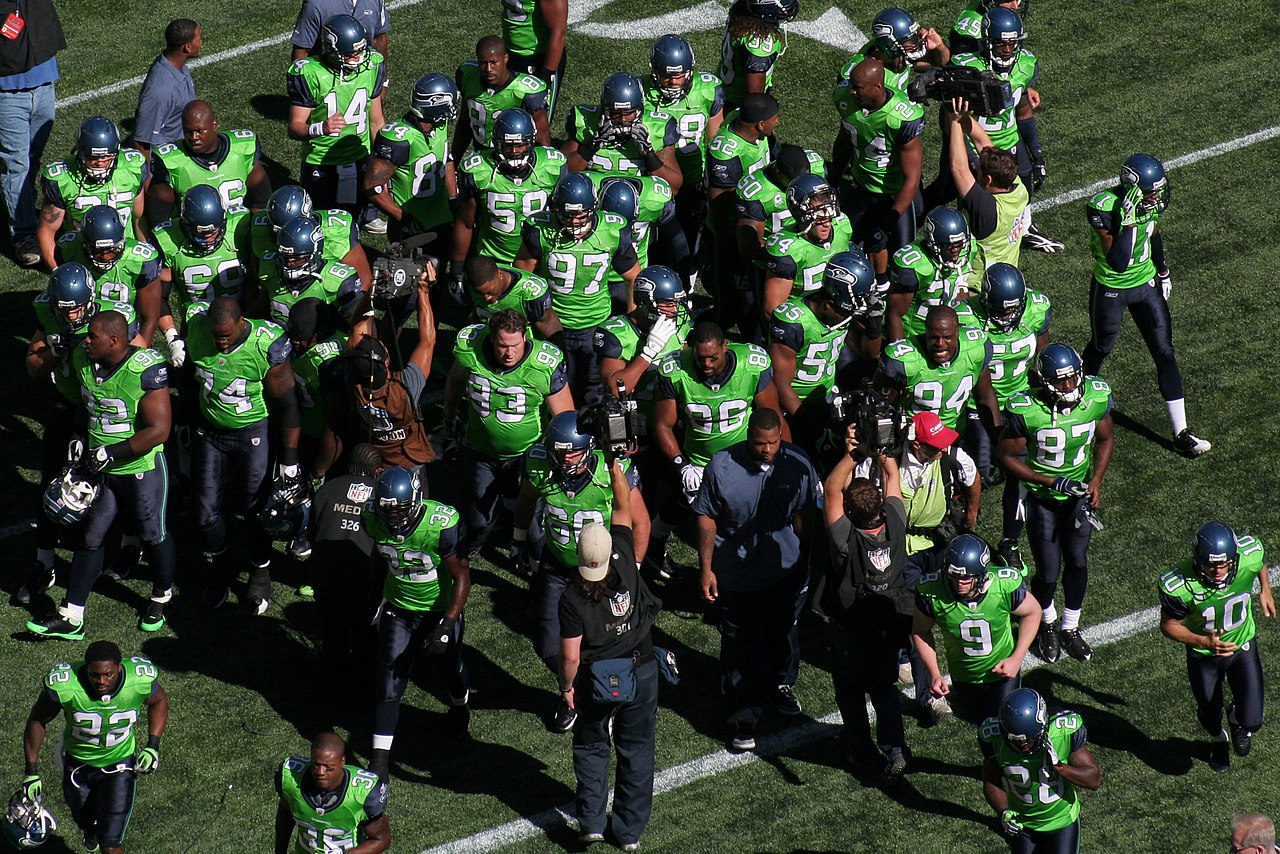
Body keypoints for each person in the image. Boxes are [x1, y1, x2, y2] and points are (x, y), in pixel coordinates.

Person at [25, 309, 175, 638]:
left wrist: (111, 452)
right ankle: (72, 614)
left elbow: (160, 430)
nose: (86, 341)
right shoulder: (82, 358)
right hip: (100, 468)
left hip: (141, 469)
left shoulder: (145, 369)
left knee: (153, 533)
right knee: (90, 538)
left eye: (93, 337)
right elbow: (87, 402)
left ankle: (161, 596)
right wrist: (80, 438)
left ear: (115, 341)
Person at [693, 408, 821, 751]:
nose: (767, 449)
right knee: (739, 641)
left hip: (785, 568)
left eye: (774, 443)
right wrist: (706, 567)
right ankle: (742, 712)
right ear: (749, 436)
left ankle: (780, 684)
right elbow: (706, 517)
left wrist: (807, 555)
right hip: (737, 573)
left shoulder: (798, 461)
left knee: (784, 630)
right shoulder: (722, 465)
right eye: (761, 443)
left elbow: (806, 512)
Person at [559, 467, 660, 852]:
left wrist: (566, 688)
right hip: (642, 669)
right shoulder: (626, 563)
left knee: (591, 746)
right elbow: (623, 507)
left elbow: (570, 656)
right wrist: (618, 467)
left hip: (595, 678)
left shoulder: (571, 596)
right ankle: (629, 832)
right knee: (636, 750)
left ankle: (591, 823)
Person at [1083, 152, 1209, 457]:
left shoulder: (1148, 206)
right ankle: (1077, 410)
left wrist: (1162, 270)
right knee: (1101, 348)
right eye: (1150, 191)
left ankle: (1181, 431)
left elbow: (1153, 233)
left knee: (1165, 352)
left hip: (1146, 285)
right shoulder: (1103, 206)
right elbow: (1118, 261)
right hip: (1112, 288)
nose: (1156, 196)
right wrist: (1127, 222)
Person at [998, 344, 1113, 664]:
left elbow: (1105, 438)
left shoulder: (1096, 397)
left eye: (1074, 377)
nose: (1070, 385)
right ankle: (1047, 623)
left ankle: (1071, 627)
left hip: (1076, 496)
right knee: (1048, 572)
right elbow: (1005, 457)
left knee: (1077, 561)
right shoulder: (1027, 408)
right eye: (1062, 380)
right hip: (1043, 498)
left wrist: (1096, 480)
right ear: (1046, 381)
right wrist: (1048, 481)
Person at [185, 297, 300, 614]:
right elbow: (187, 379)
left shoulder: (266, 343)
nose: (221, 342)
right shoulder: (196, 328)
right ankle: (223, 564)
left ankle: (260, 570)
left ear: (241, 323)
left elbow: (287, 403)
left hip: (251, 432)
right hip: (209, 431)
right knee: (204, 513)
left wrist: (289, 459)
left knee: (257, 508)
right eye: (216, 336)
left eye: (227, 336)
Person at [818, 426, 913, 780]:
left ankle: (861, 751)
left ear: (849, 512)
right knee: (884, 690)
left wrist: (854, 453)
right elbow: (891, 475)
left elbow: (830, 488)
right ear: (880, 506)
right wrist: (881, 448)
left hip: (851, 628)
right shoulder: (897, 524)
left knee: (851, 693)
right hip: (888, 625)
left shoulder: (844, 539)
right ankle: (895, 749)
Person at [649, 321, 784, 571]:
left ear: (725, 346)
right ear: (690, 350)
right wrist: (682, 465)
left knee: (746, 510)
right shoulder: (675, 369)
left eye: (713, 357)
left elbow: (772, 416)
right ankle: (654, 542)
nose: (707, 365)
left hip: (744, 455)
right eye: (701, 358)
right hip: (699, 458)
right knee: (684, 500)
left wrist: (783, 458)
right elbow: (662, 425)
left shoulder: (751, 364)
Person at [366, 465, 471, 780]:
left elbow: (462, 576)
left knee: (449, 665)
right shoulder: (372, 516)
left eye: (399, 511)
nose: (394, 519)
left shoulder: (440, 525)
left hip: (438, 609)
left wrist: (447, 624)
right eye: (389, 512)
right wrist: (375, 599)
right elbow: (378, 557)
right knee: (388, 683)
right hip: (399, 608)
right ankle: (380, 761)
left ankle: (459, 708)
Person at [442, 308, 572, 557]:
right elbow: (456, 379)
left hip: (528, 453)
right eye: (502, 345)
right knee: (478, 518)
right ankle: (477, 541)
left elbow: (565, 418)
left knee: (533, 523)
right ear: (491, 339)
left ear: (525, 337)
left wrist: (550, 457)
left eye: (515, 345)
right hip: (482, 452)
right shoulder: (471, 348)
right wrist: (449, 416)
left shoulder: (543, 365)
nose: (509, 353)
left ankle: (529, 556)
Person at [21, 640, 169, 854]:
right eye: (94, 675)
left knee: (110, 845)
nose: (101, 681)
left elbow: (159, 701)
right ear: (86, 668)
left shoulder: (138, 680)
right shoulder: (67, 684)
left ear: (119, 668)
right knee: (83, 818)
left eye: (108, 674)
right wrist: (31, 772)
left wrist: (152, 746)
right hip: (77, 762)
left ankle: (105, 835)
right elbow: (37, 720)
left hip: (121, 763)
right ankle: (92, 828)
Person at [514, 171, 639, 404]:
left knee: (595, 392)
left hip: (596, 324)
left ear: (593, 208)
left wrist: (632, 319)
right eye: (567, 215)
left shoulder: (611, 231)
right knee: (553, 386)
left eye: (580, 214)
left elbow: (634, 277)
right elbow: (522, 275)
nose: (574, 222)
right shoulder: (540, 229)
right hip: (552, 324)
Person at [1159, 522, 1273, 772]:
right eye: (1212, 565)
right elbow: (1168, 625)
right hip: (1203, 654)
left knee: (1252, 721)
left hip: (1242, 643)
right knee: (1210, 715)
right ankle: (1218, 740)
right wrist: (1204, 641)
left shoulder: (1248, 554)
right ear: (1198, 560)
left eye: (1224, 564)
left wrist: (1265, 589)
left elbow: (1259, 560)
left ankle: (1236, 718)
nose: (1219, 571)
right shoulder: (1180, 584)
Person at [948, 7, 1061, 254]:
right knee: (973, 203)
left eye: (1012, 44)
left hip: (1010, 140)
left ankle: (1024, 230)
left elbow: (1022, 109)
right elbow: (952, 116)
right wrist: (970, 154)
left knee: (1025, 183)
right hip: (976, 143)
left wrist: (1036, 152)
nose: (1007, 51)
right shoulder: (968, 66)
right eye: (1001, 45)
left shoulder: (1026, 65)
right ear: (987, 42)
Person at [963, 263, 1050, 566]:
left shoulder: (1035, 311)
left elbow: (1043, 357)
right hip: (977, 406)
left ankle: (1009, 540)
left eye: (1013, 309)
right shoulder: (965, 317)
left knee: (1019, 475)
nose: (1007, 317)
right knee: (977, 474)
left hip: (1019, 404)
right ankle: (958, 524)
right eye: (1000, 310)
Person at [913, 534, 1041, 726]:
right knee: (984, 728)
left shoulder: (1003, 585)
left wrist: (1016, 658)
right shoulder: (932, 590)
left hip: (1002, 675)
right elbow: (920, 631)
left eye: (966, 577)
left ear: (981, 574)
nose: (959, 582)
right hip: (963, 676)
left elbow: (1033, 612)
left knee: (1009, 726)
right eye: (954, 575)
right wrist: (935, 673)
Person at [328, 268, 436, 472]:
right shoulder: (405, 389)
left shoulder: (352, 381)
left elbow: (357, 326)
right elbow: (427, 341)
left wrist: (370, 295)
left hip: (372, 463)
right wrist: (423, 290)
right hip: (408, 463)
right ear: (386, 361)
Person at [769, 247, 876, 451]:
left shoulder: (840, 311)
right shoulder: (793, 322)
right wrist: (815, 430)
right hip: (792, 406)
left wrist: (874, 328)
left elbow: (868, 353)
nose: (851, 317)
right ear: (828, 306)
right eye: (848, 311)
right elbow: (781, 385)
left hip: (825, 397)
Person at [830, 58, 924, 286]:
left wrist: (887, 224)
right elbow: (844, 141)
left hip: (893, 193)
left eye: (858, 87)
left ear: (877, 87)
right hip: (860, 186)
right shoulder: (845, 99)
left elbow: (912, 178)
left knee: (904, 265)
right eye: (851, 85)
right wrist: (832, 180)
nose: (852, 91)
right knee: (837, 247)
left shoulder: (901, 117)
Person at [980, 688, 1101, 853]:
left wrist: (1061, 767)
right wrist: (1004, 812)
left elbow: (1094, 780)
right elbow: (991, 781)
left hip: (1062, 822)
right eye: (1016, 740)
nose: (1024, 745)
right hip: (1022, 823)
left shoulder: (1062, 731)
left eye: (1030, 739)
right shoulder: (993, 737)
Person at [286, 15, 386, 214]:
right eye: (351, 54)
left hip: (360, 156)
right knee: (320, 220)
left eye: (361, 51)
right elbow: (294, 127)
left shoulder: (372, 64)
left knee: (352, 221)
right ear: (331, 49)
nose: (358, 58)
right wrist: (320, 128)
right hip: (322, 161)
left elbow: (376, 121)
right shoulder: (310, 73)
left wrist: (384, 157)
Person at [306, 444, 382, 692]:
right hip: (362, 578)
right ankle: (362, 692)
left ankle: (333, 687)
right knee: (364, 635)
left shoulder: (327, 489)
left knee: (333, 633)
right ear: (377, 471)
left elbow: (312, 535)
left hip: (325, 574)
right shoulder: (382, 494)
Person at [451, 108, 565, 268]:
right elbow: (465, 222)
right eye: (507, 145)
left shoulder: (553, 166)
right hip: (493, 260)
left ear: (532, 141)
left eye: (520, 145)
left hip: (538, 260)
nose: (514, 152)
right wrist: (456, 270)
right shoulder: (479, 170)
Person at [0, 0, 64, 267]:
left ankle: (25, 213)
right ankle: (24, 235)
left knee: (32, 159)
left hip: (44, 83)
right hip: (7, 93)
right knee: (16, 166)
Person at [38, 116, 148, 270]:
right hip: (81, 256)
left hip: (123, 253)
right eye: (92, 157)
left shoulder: (132, 168)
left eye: (106, 156)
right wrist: (57, 270)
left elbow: (139, 219)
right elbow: (47, 230)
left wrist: (144, 258)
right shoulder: (62, 178)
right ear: (80, 153)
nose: (100, 162)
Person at [363, 72, 458, 249]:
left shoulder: (440, 125)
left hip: (442, 217)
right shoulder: (400, 140)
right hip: (410, 225)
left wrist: (453, 198)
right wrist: (403, 218)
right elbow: (372, 187)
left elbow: (447, 159)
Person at [878, 304, 1000, 435]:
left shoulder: (975, 349)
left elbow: (985, 397)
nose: (940, 344)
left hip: (955, 436)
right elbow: (880, 408)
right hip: (914, 442)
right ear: (925, 332)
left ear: (957, 332)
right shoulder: (904, 361)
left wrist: (997, 438)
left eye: (947, 337)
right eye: (933, 337)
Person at [55, 204, 163, 346]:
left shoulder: (142, 261)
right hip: (80, 328)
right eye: (98, 251)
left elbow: (150, 317)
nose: (105, 257)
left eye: (111, 250)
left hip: (124, 331)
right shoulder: (67, 248)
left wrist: (141, 350)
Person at [562, 72, 683, 194]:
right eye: (616, 113)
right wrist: (591, 147)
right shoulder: (586, 122)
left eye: (628, 113)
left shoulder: (658, 128)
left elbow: (673, 187)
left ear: (639, 109)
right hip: (594, 195)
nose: (622, 120)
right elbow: (561, 173)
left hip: (638, 198)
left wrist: (649, 154)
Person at [149, 99, 271, 215]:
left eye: (199, 131)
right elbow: (160, 217)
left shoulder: (242, 148)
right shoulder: (170, 161)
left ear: (215, 125)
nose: (193, 137)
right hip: (194, 234)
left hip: (239, 228)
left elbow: (261, 201)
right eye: (188, 131)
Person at [275, 732, 390, 853]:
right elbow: (284, 818)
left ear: (342, 762)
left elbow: (382, 839)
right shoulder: (291, 779)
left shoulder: (362, 793)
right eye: (315, 765)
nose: (321, 772)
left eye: (328, 767)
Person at [948, 98, 1030, 269]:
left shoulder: (987, 209)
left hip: (978, 282)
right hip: (1008, 270)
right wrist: (964, 118)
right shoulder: (1018, 187)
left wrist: (955, 121)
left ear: (988, 179)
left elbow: (959, 168)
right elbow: (983, 142)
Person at [760, 173, 853, 320]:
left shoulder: (842, 226)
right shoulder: (789, 249)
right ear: (800, 212)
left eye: (829, 213)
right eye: (819, 215)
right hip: (802, 321)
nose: (827, 222)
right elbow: (772, 310)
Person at [885, 205, 980, 342]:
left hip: (949, 328)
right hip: (917, 335)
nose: (956, 250)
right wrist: (899, 352)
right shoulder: (913, 266)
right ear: (931, 242)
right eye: (948, 246)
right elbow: (894, 314)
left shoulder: (967, 249)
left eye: (959, 244)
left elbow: (960, 287)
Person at [452, 35, 551, 159]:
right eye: (483, 63)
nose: (488, 69)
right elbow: (464, 124)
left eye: (493, 62)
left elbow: (543, 141)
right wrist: (453, 161)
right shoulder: (467, 76)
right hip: (482, 157)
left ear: (505, 58)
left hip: (515, 158)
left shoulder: (526, 90)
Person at [832, 7, 949, 99]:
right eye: (910, 41)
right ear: (889, 45)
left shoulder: (895, 57)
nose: (915, 45)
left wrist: (939, 46)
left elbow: (941, 64)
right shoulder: (865, 77)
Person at [132, 19, 201, 160]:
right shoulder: (160, 89)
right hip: (168, 161)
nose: (201, 42)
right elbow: (141, 141)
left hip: (183, 151)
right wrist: (148, 178)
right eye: (199, 38)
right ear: (187, 47)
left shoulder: (177, 67)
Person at [717, 0, 797, 111]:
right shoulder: (760, 39)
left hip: (725, 85)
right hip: (738, 102)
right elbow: (755, 96)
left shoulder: (742, 7)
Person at [500, 0, 567, 117]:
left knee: (536, 125)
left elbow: (558, 31)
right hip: (510, 54)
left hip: (539, 59)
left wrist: (546, 77)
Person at [291, 0, 389, 63]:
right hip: (326, 76)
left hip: (364, 71)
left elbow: (379, 38)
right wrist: (299, 87)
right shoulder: (316, 4)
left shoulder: (376, 1)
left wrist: (383, 81)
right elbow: (302, 50)